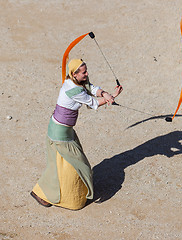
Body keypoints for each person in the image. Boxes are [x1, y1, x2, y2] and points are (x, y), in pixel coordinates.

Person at [31, 59, 123, 210]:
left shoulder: (74, 81)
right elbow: (92, 102)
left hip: (65, 131)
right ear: (74, 74)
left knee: (62, 166)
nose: (87, 74)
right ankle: (44, 194)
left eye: (86, 71)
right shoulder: (74, 90)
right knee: (81, 166)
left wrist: (105, 93)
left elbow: (91, 88)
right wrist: (112, 96)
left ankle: (46, 193)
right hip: (59, 133)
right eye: (84, 72)